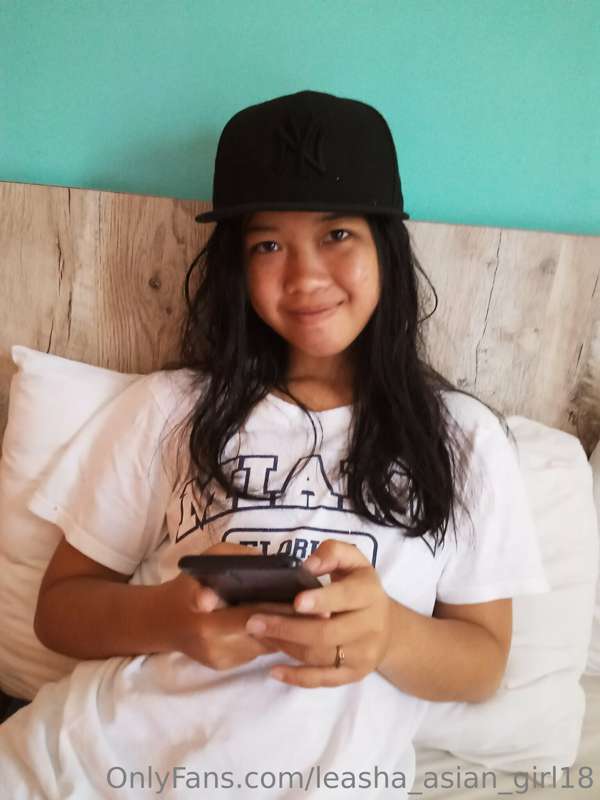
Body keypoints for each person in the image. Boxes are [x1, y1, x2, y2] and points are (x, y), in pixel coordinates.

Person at [0, 89, 549, 799]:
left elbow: (483, 662)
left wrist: (388, 635)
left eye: (336, 234)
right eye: (268, 244)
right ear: (238, 264)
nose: (305, 275)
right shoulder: (170, 408)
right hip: (80, 766)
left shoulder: (462, 437)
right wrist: (170, 617)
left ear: (385, 245)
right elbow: (59, 611)